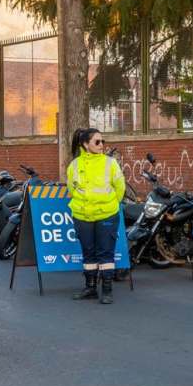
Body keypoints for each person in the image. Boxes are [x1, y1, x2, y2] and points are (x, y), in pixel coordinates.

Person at [67, 128, 126, 304]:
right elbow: (72, 189)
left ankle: (107, 290)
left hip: (106, 215)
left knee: (106, 254)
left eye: (102, 141)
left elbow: (120, 187)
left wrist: (111, 205)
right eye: (97, 142)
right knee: (88, 254)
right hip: (82, 216)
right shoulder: (74, 165)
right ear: (85, 144)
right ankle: (90, 288)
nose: (102, 145)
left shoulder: (110, 163)